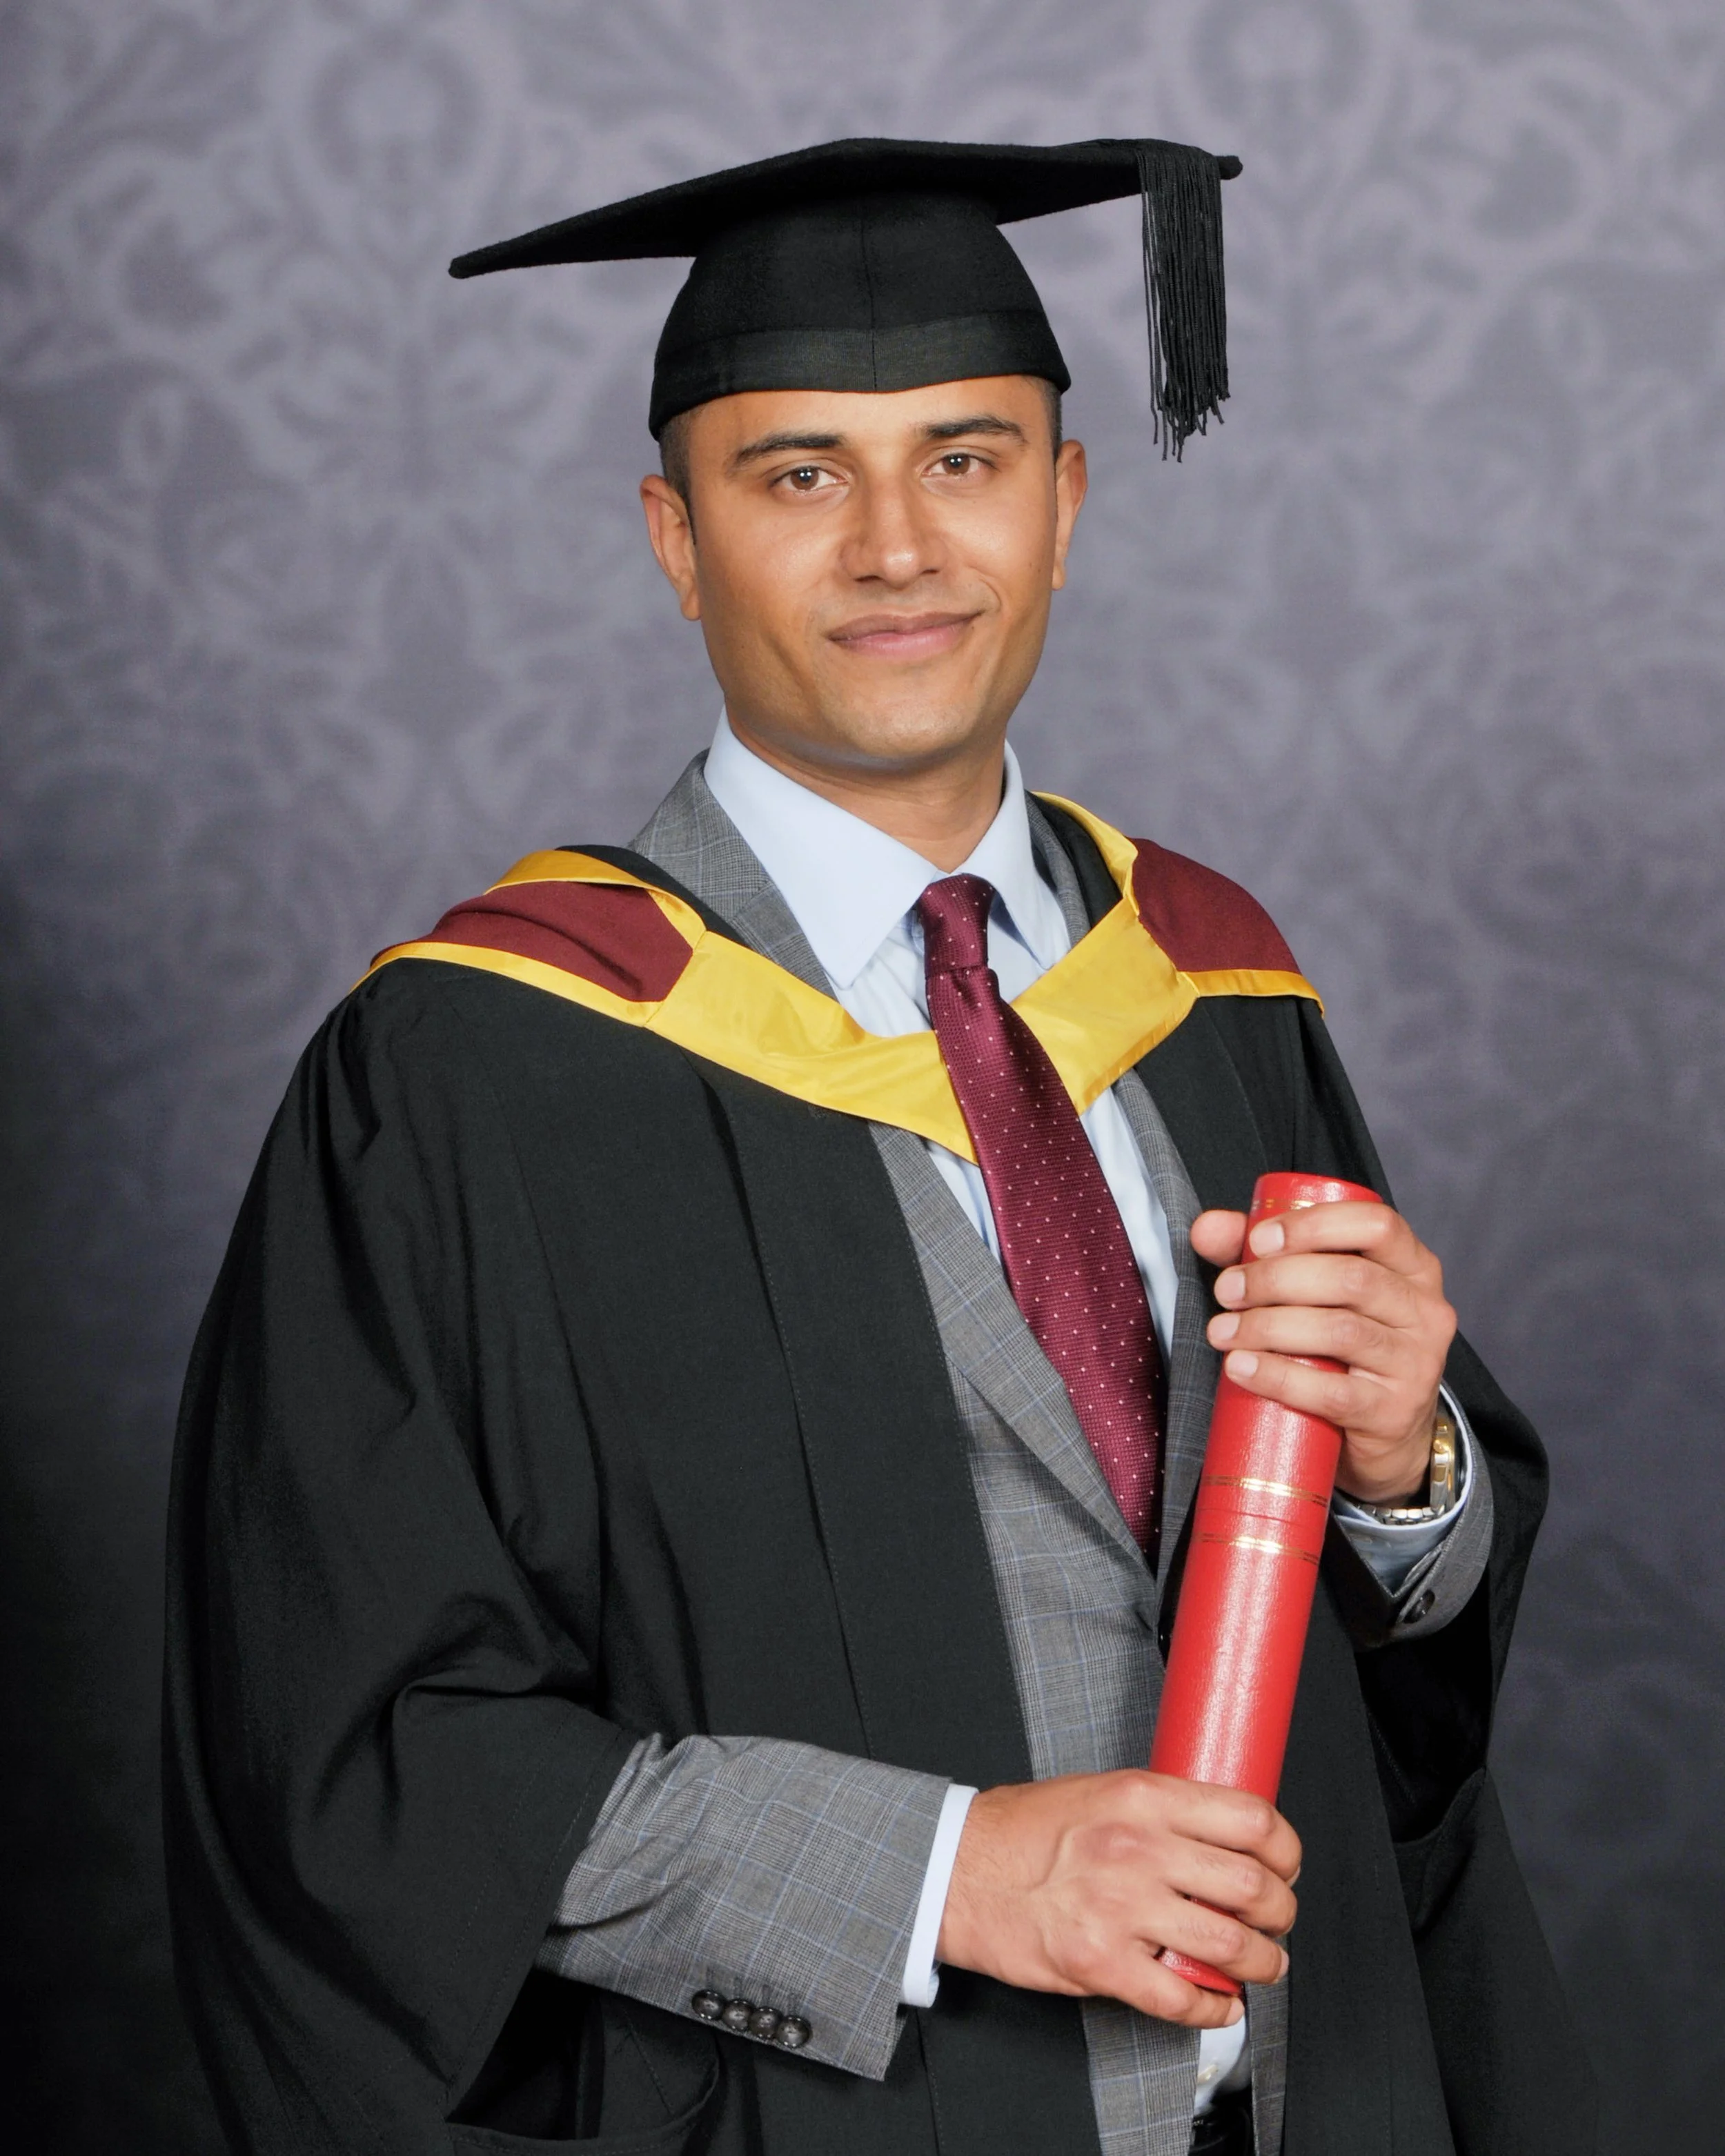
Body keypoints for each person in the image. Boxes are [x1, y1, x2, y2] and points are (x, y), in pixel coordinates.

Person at [164, 138, 1590, 2156]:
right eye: (799, 474)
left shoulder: (1210, 984)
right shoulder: (478, 1066)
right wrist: (948, 1874)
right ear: (674, 536)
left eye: (966, 458)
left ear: (1065, 504)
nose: (898, 548)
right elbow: (353, 1753)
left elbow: (1411, 1708)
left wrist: (1406, 1478)